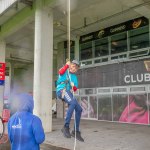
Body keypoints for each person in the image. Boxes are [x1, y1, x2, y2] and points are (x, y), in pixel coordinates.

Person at [56, 59, 84, 142]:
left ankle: (76, 131)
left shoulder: (74, 77)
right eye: (73, 66)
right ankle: (66, 126)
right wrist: (66, 65)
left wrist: (73, 86)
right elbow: (60, 72)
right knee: (72, 102)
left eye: (76, 68)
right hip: (62, 91)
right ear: (70, 65)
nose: (74, 68)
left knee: (79, 109)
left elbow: (75, 89)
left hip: (69, 93)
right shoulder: (65, 70)